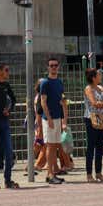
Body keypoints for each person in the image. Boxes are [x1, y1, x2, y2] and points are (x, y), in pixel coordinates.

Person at [40, 57, 67, 185]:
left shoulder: (60, 82)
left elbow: (62, 100)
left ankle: (52, 173)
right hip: (49, 119)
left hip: (58, 117)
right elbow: (43, 102)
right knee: (50, 146)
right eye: (51, 65)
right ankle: (49, 174)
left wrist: (63, 119)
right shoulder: (45, 82)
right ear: (48, 67)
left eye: (56, 65)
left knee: (55, 145)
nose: (54, 67)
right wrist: (49, 118)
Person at [83, 68, 103, 183]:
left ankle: (98, 172)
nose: (100, 77)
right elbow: (94, 103)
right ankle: (89, 174)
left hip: (102, 118)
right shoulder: (88, 88)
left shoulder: (101, 88)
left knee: (100, 146)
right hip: (91, 119)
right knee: (91, 146)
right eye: (98, 75)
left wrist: (102, 104)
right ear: (93, 77)